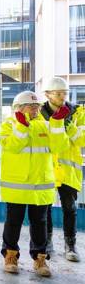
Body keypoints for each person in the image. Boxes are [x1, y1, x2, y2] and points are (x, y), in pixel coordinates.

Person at [0, 91, 70, 277]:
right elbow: (14, 146)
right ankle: (10, 256)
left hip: (41, 186)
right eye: (31, 106)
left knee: (40, 223)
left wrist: (57, 124)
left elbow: (59, 147)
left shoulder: (47, 125)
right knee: (13, 222)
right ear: (19, 108)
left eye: (37, 106)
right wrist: (22, 127)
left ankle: (40, 259)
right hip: (17, 185)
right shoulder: (8, 125)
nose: (35, 109)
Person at [40, 77, 83, 262]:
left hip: (67, 170)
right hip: (47, 169)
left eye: (64, 93)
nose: (62, 97)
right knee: (45, 208)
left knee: (70, 208)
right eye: (58, 94)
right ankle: (47, 241)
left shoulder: (77, 113)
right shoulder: (39, 114)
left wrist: (70, 128)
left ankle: (70, 245)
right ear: (48, 94)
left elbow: (82, 140)